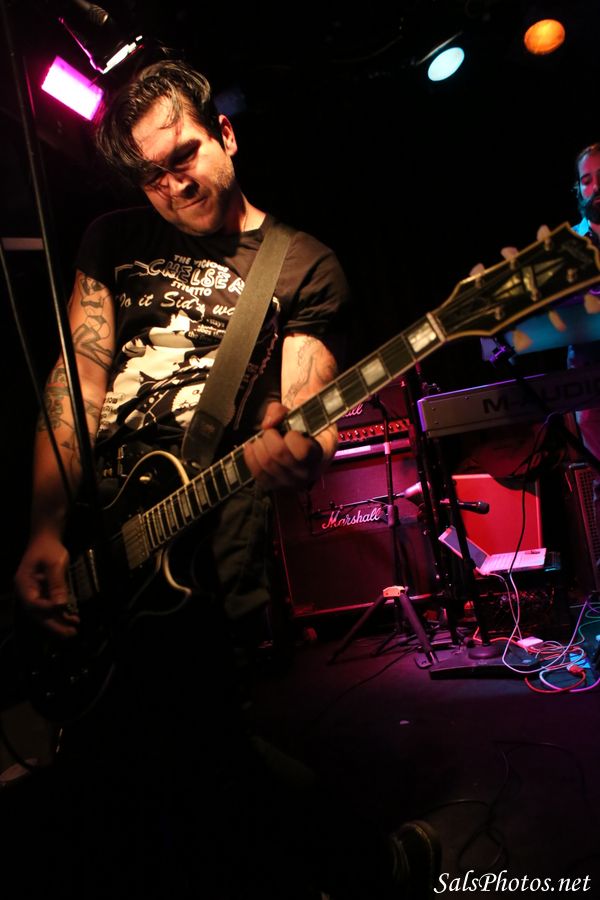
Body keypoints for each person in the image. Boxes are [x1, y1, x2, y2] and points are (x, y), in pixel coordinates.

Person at [13, 59, 440, 899]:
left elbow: (306, 409)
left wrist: (301, 451)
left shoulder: (302, 265)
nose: (175, 185)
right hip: (103, 529)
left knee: (191, 744)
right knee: (145, 762)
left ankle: (369, 866)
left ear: (226, 134)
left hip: (206, 541)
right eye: (153, 176)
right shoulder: (111, 240)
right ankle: (369, 865)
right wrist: (46, 527)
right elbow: (78, 385)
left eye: (185, 156)